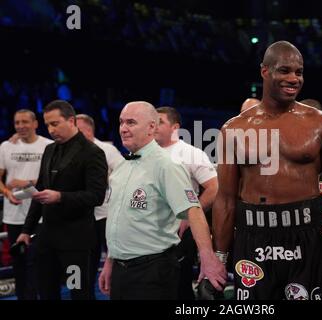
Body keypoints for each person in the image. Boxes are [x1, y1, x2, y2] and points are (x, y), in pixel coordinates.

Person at [212, 41, 322, 300]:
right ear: (265, 72)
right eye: (284, 71)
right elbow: (225, 198)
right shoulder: (233, 129)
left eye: (299, 72)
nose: (294, 78)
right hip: (253, 237)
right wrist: (216, 261)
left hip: (307, 236)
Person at [98, 101, 226, 300]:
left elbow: (194, 211)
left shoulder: (167, 166)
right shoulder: (122, 167)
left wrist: (208, 259)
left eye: (131, 122)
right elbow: (118, 220)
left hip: (153, 270)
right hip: (121, 269)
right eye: (121, 122)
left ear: (151, 127)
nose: (123, 128)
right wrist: (110, 262)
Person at [16, 100, 108, 300]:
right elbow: (39, 191)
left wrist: (60, 197)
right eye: (48, 124)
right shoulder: (49, 150)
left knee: (78, 294)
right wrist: (26, 230)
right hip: (47, 238)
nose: (50, 129)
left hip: (77, 241)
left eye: (55, 124)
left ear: (72, 120)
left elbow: (96, 196)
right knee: (47, 292)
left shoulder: (93, 153)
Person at [155, 106, 218, 299]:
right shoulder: (144, 152)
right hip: (150, 229)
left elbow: (214, 188)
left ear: (175, 127)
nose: (154, 126)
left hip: (179, 230)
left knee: (178, 285)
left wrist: (189, 218)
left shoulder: (190, 153)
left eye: (160, 122)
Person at [0, 109, 52, 299]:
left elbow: (53, 177)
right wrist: (7, 192)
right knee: (19, 264)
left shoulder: (48, 145)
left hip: (41, 214)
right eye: (17, 123)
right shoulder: (6, 146)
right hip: (14, 214)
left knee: (39, 263)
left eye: (25, 122)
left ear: (35, 123)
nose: (21, 126)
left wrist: (25, 183)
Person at [75, 114, 123, 296]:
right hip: (83, 216)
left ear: (87, 130)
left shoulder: (107, 149)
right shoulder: (71, 150)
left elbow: (123, 174)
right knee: (86, 262)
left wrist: (101, 182)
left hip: (106, 214)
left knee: (114, 260)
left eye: (76, 128)